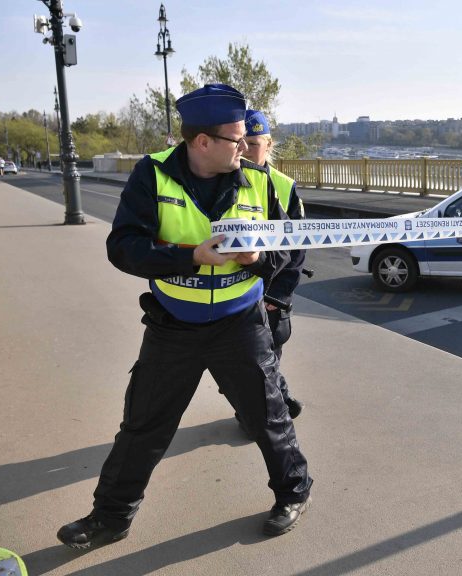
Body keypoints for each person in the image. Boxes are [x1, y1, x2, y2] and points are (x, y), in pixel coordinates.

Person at [56, 84, 313, 549]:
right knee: (143, 427)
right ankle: (110, 519)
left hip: (240, 323)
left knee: (268, 418)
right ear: (202, 142)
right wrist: (191, 256)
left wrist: (257, 261)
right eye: (237, 140)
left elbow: (284, 256)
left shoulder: (260, 183)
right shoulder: (151, 175)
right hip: (173, 325)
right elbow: (123, 248)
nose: (246, 148)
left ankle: (294, 492)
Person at [242, 109, 305, 421]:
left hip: (271, 296)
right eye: (240, 142)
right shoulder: (222, 180)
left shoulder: (284, 186)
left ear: (268, 145)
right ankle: (268, 403)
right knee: (244, 360)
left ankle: (269, 404)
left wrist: (277, 295)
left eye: (254, 143)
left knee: (268, 355)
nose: (246, 149)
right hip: (236, 291)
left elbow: (296, 250)